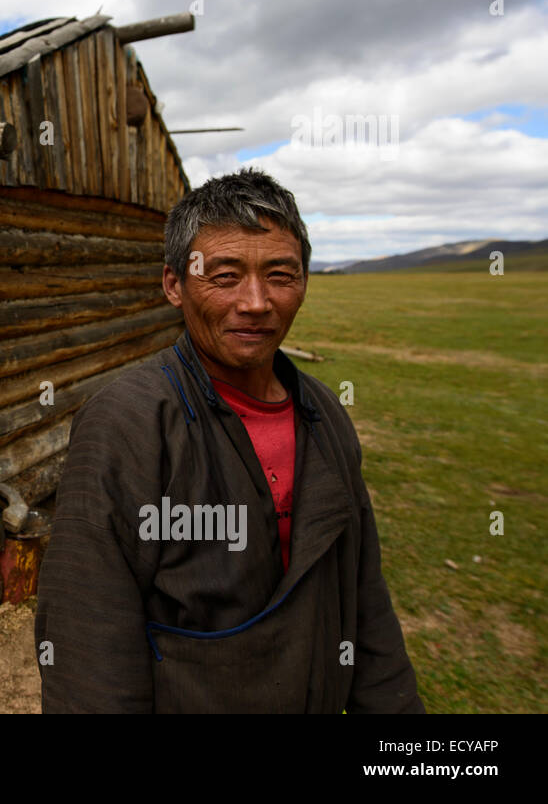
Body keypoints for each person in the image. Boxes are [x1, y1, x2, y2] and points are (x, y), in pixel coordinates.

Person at [34, 168, 424, 713]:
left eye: (281, 275)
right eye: (225, 276)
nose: (256, 301)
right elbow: (88, 639)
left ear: (305, 281)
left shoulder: (326, 417)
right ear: (174, 285)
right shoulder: (126, 424)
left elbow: (365, 599)